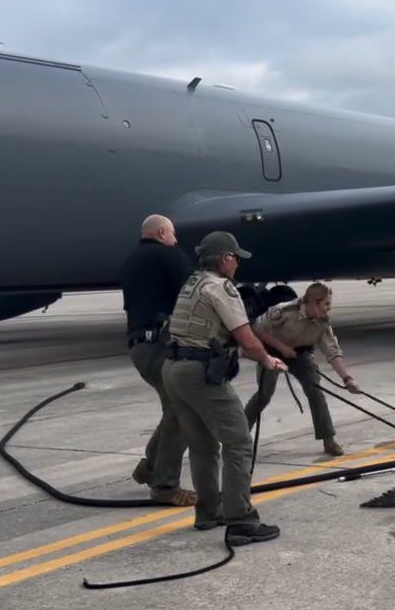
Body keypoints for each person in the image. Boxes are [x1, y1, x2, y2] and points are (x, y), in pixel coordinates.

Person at [162, 231, 287, 546]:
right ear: (224, 259)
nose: (237, 265)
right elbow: (246, 339)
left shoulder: (193, 284)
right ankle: (241, 520)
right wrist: (269, 359)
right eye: (235, 258)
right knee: (239, 442)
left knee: (202, 444)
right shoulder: (222, 288)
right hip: (199, 372)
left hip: (174, 368)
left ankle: (208, 513)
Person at [119, 214, 196, 506]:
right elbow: (196, 291)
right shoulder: (167, 256)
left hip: (139, 347)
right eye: (173, 234)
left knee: (175, 410)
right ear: (162, 233)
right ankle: (165, 486)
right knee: (184, 412)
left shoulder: (131, 261)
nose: (176, 240)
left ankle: (151, 467)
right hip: (160, 347)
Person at [244, 282, 361, 457]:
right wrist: (281, 348)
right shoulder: (284, 311)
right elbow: (257, 330)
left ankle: (328, 439)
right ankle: (240, 437)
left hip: (299, 353)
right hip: (271, 351)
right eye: (326, 304)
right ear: (313, 303)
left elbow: (332, 352)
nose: (329, 308)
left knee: (315, 391)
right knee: (264, 395)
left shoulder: (322, 323)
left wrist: (347, 379)